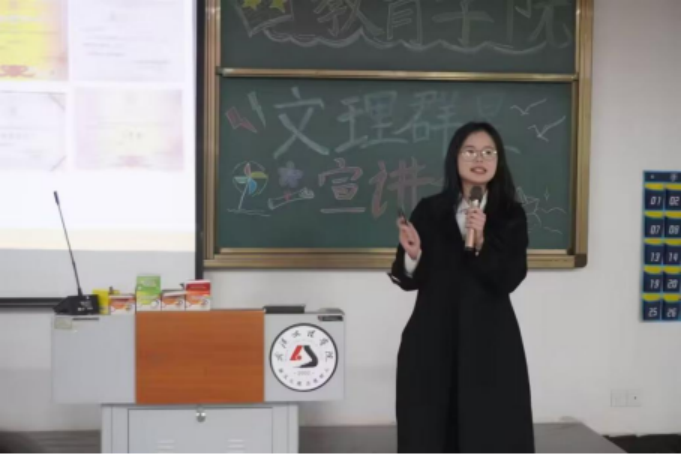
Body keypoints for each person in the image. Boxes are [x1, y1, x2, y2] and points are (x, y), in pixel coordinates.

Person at [389, 122, 534, 454]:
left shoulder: (510, 215)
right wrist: (413, 255)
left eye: (488, 152)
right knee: (429, 430)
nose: (479, 159)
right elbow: (408, 279)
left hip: (489, 342)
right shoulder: (430, 210)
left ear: (498, 160)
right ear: (455, 157)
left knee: (490, 431)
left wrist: (481, 242)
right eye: (469, 151)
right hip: (432, 338)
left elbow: (511, 277)